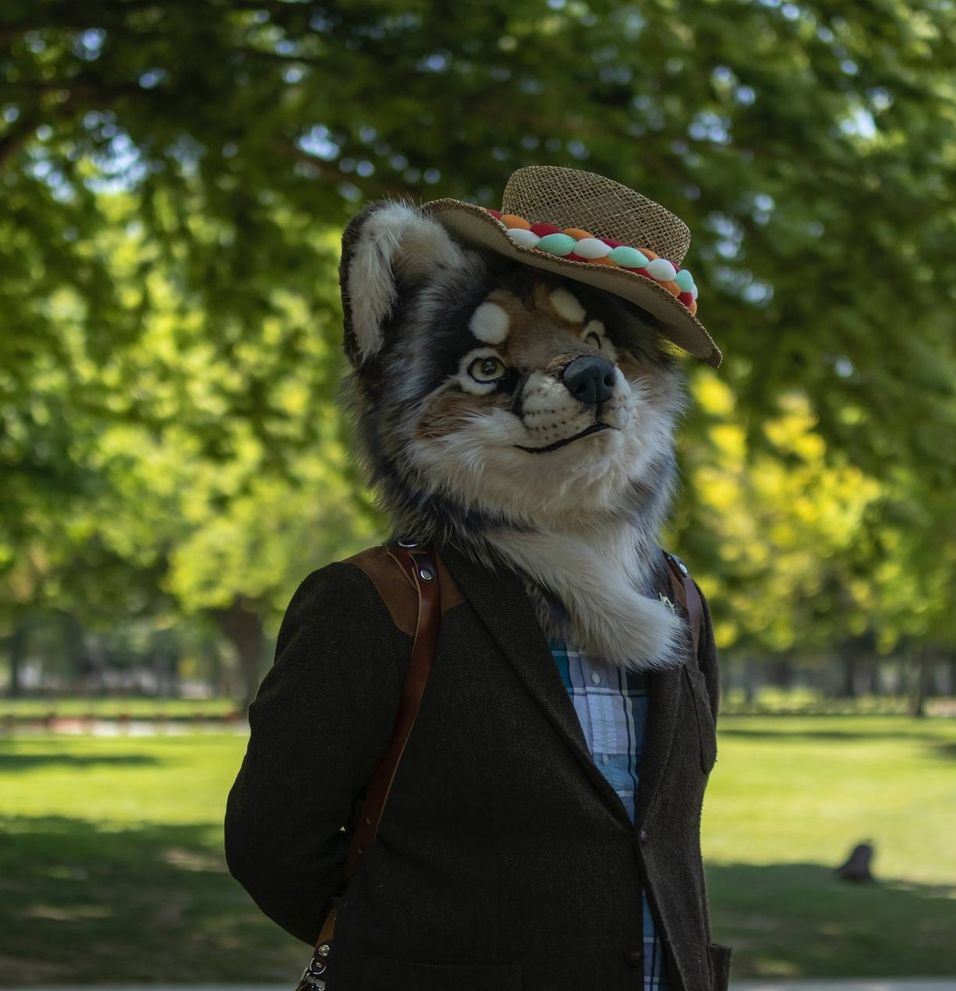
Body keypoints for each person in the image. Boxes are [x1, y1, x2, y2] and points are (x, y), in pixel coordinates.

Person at [225, 166, 731, 991]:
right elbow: (273, 840)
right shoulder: (377, 604)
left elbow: (664, 838)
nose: (578, 377)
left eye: (597, 349)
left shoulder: (679, 599)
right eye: (490, 367)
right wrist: (408, 951)